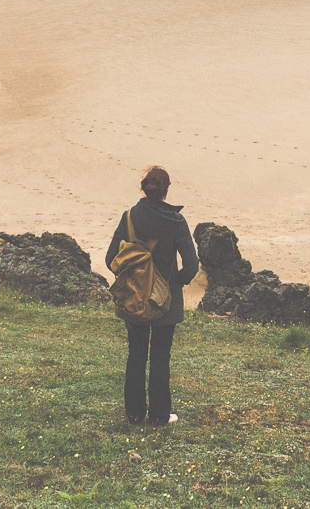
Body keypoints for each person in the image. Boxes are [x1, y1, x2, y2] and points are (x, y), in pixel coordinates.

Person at [105, 165, 199, 426]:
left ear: (144, 189)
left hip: (134, 298)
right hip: (165, 301)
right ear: (166, 191)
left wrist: (132, 279)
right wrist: (175, 283)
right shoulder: (176, 222)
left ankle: (134, 414)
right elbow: (192, 266)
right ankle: (159, 416)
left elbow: (110, 258)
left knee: (136, 355)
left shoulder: (129, 217)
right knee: (160, 358)